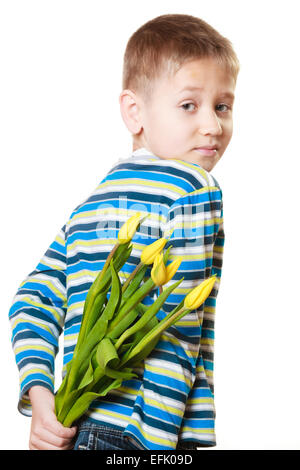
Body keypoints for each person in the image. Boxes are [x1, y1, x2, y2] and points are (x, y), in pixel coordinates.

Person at [8, 13, 239, 450]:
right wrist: (154, 445)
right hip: (147, 431)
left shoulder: (89, 206)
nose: (213, 124)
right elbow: (176, 329)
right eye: (189, 105)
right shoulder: (193, 190)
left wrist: (41, 398)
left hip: (74, 427)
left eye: (223, 105)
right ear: (134, 111)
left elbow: (31, 301)